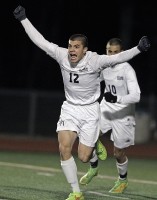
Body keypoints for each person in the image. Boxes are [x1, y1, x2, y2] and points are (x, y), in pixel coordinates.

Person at [13, 5, 150, 200]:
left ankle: (93, 148)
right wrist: (23, 19)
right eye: (70, 46)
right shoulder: (62, 55)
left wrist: (138, 49)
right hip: (70, 108)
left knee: (84, 157)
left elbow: (118, 57)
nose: (71, 50)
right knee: (63, 148)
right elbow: (40, 41)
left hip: (90, 111)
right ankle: (76, 192)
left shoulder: (95, 61)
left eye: (76, 47)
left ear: (85, 50)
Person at [80, 38, 141, 194]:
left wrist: (118, 99)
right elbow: (92, 78)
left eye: (116, 52)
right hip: (105, 109)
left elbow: (136, 96)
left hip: (124, 115)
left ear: (122, 53)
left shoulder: (128, 70)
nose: (112, 55)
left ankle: (122, 180)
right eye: (109, 51)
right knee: (88, 136)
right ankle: (93, 168)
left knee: (118, 153)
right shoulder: (104, 66)